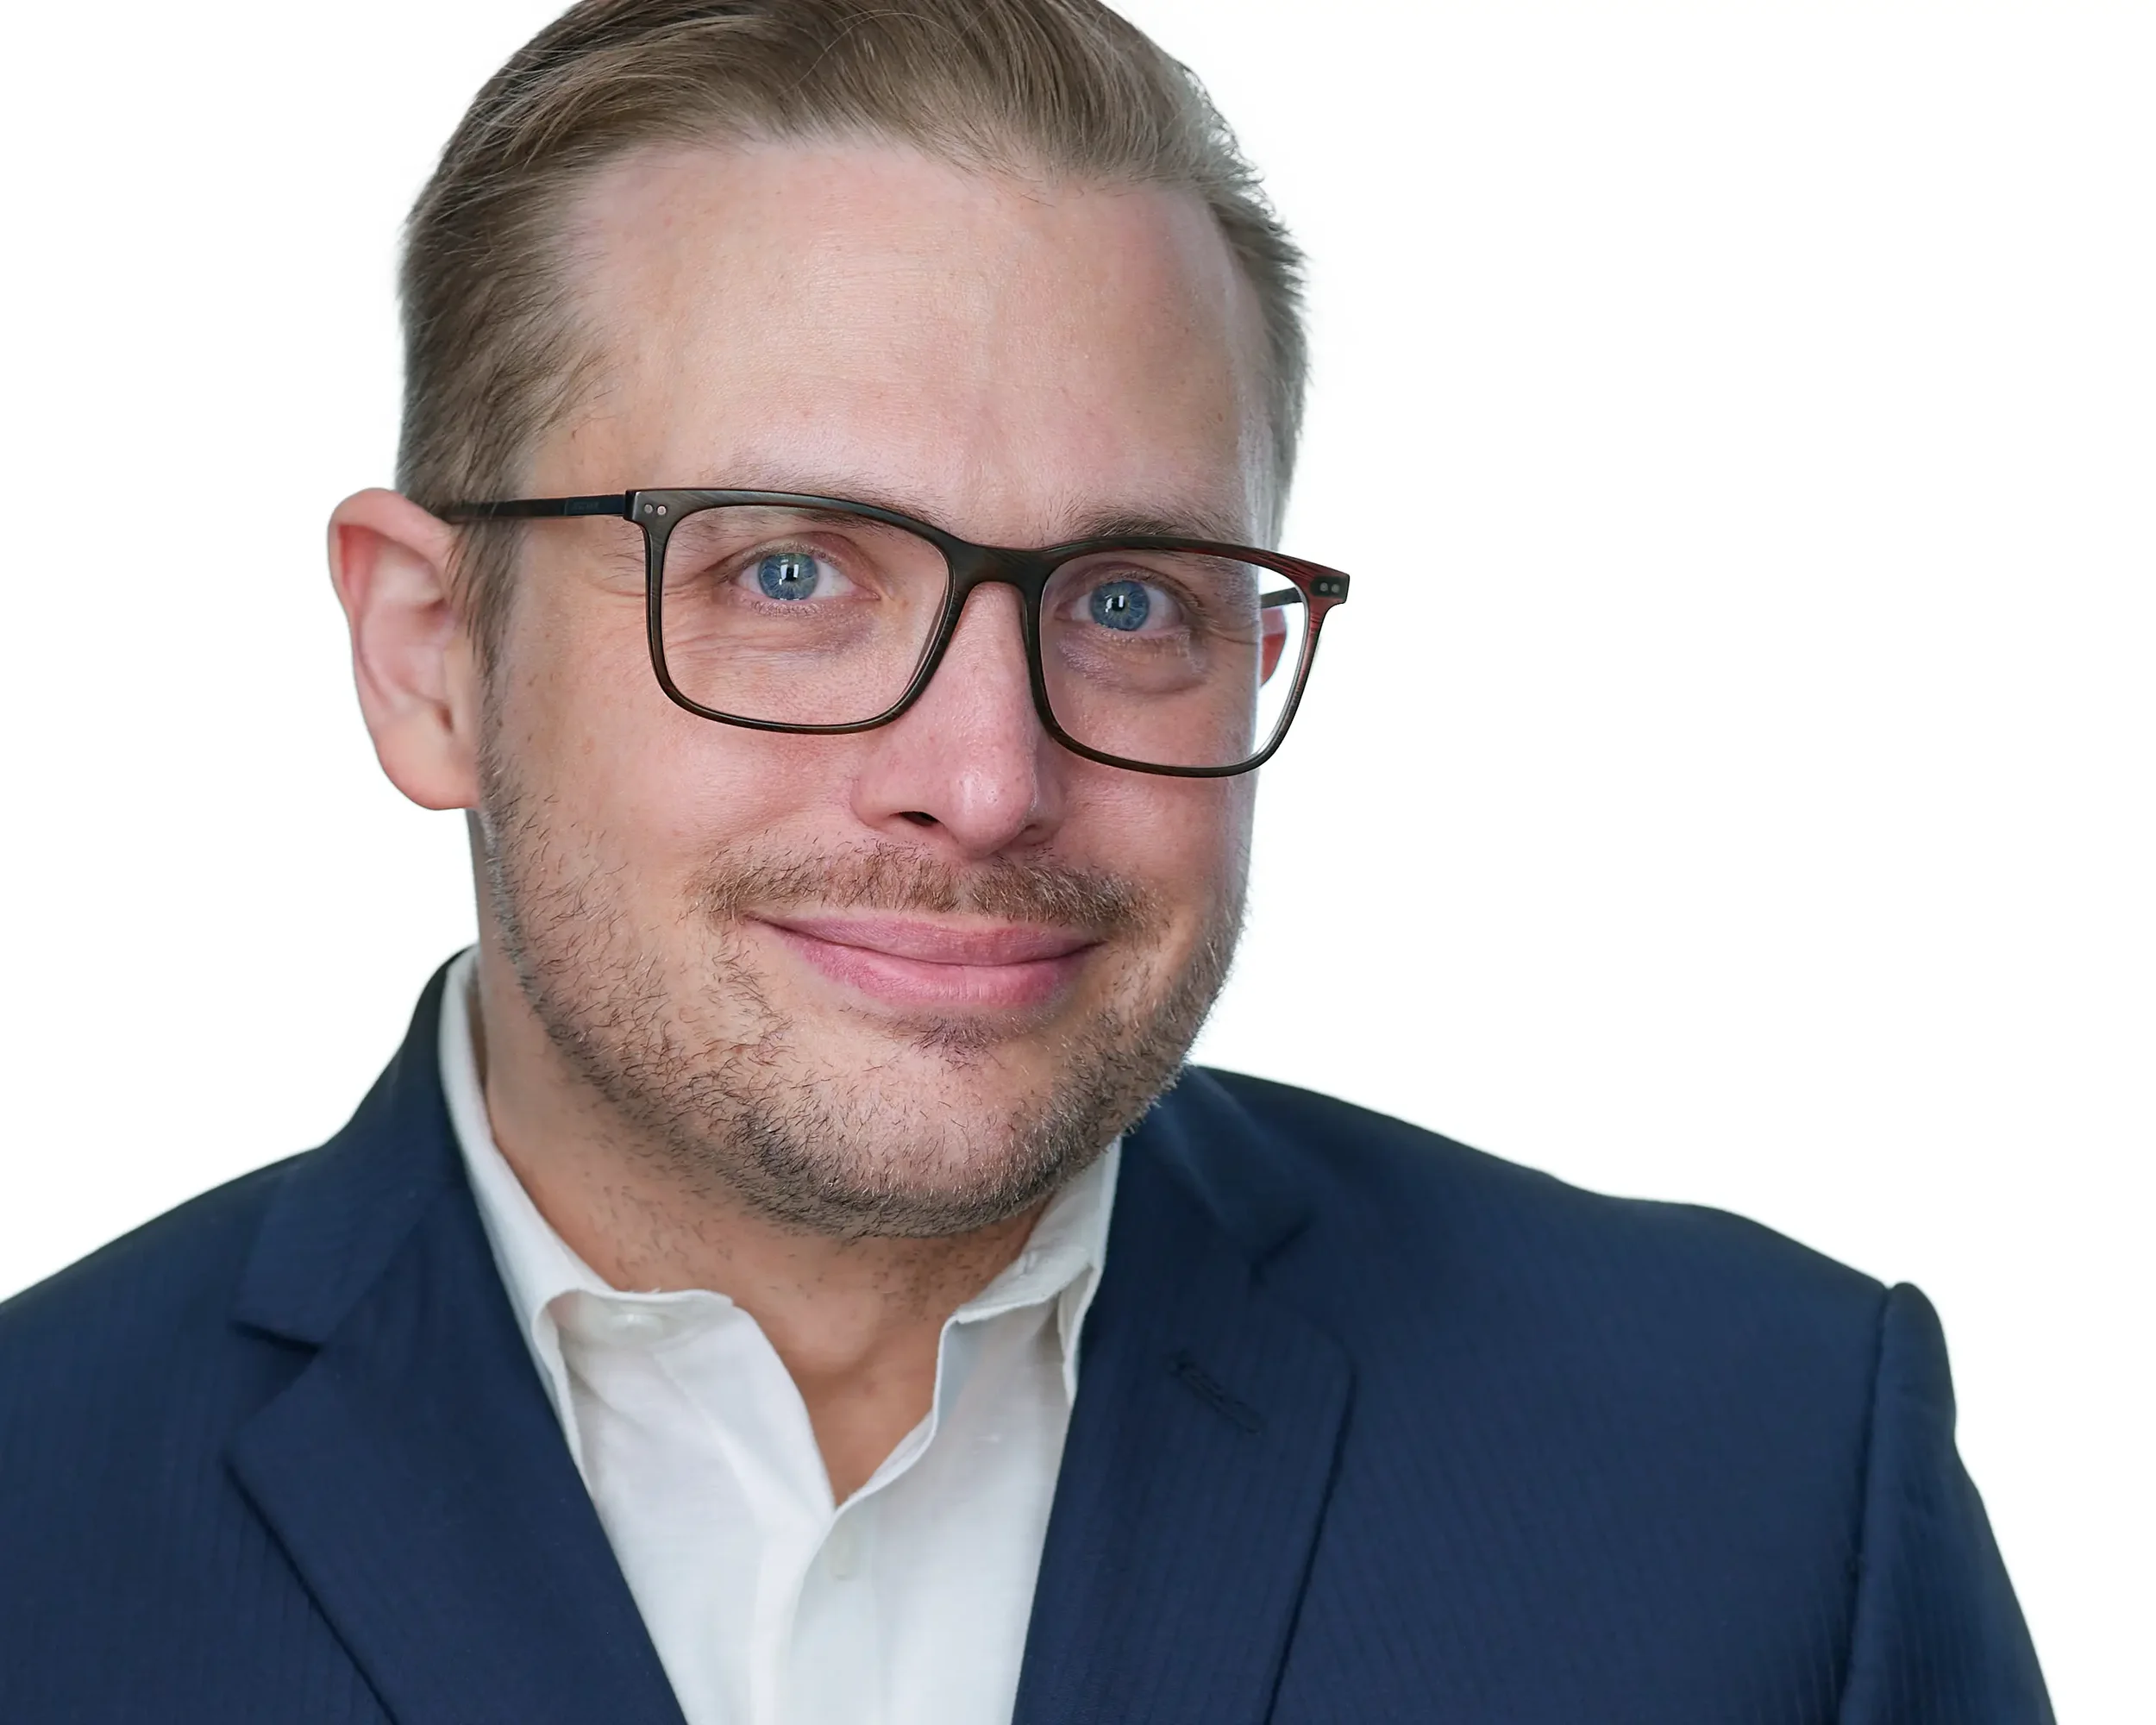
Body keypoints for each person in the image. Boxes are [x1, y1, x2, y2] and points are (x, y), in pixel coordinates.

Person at [0, 2, 2051, 1720]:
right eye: (786, 571)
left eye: (1133, 601)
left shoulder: (1760, 1477)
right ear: (429, 657)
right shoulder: (39, 1521)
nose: (983, 779)